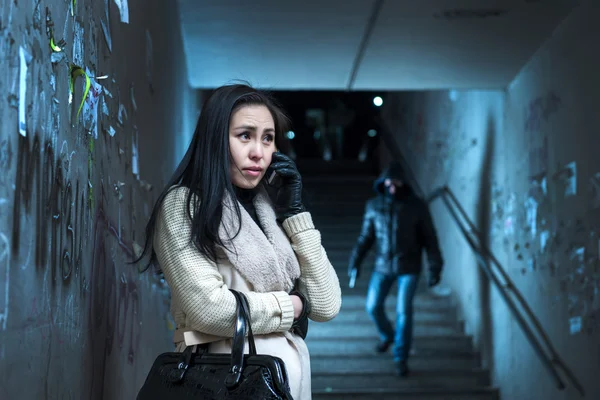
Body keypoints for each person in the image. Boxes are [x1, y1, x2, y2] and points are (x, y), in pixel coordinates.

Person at [137, 83, 342, 399]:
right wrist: (295, 305)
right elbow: (210, 309)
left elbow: (326, 304)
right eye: (245, 135)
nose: (259, 152)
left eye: (268, 138)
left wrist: (295, 213)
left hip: (286, 382)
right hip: (221, 379)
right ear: (216, 139)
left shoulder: (271, 208)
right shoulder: (185, 204)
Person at [347, 162, 443, 377]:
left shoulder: (416, 206)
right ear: (383, 183)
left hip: (409, 266)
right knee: (373, 306)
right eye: (389, 183)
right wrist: (355, 261)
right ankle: (388, 335)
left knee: (404, 312)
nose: (392, 187)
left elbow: (430, 239)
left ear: (403, 183)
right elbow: (366, 238)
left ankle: (401, 356)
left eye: (396, 182)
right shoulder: (374, 206)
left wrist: (435, 267)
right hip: (382, 266)